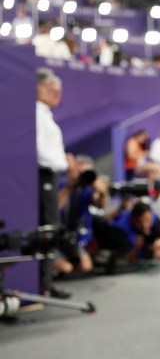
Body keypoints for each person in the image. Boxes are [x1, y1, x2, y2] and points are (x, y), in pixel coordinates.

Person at [36, 68, 72, 298]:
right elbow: (39, 151)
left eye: (59, 90)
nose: (57, 94)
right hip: (45, 176)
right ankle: (43, 285)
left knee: (50, 229)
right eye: (52, 89)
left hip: (51, 176)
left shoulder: (45, 114)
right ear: (38, 88)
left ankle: (45, 283)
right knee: (48, 230)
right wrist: (64, 165)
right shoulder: (36, 114)